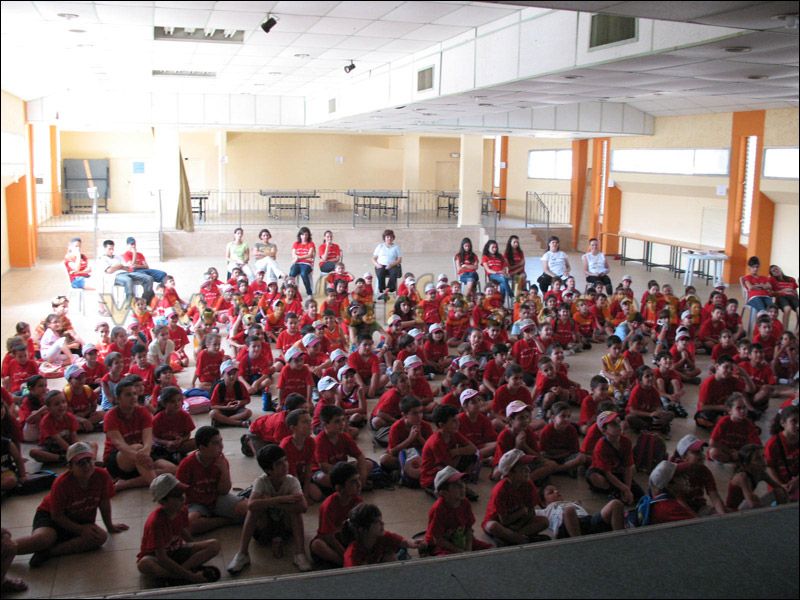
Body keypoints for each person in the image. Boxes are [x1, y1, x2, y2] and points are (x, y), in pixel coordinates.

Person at [13, 442, 128, 568]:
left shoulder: (102, 476)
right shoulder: (61, 483)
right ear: (70, 467)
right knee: (43, 539)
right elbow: (56, 515)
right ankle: (6, 548)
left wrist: (110, 526)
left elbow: (104, 503)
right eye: (80, 463)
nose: (87, 466)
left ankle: (49, 553)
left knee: (99, 537)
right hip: (51, 517)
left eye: (89, 461)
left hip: (79, 519)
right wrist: (80, 529)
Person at [227, 444, 312, 575]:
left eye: (285, 460)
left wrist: (270, 502)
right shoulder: (261, 482)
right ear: (268, 470)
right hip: (264, 529)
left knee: (296, 512)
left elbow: (303, 507)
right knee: (254, 510)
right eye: (279, 464)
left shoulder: (292, 481)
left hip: (286, 529)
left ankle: (300, 554)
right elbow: (251, 505)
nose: (285, 465)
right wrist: (281, 499)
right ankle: (243, 554)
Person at [137, 473, 221, 585]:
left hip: (178, 550)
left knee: (214, 545)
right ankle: (181, 574)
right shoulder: (156, 522)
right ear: (162, 501)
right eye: (176, 496)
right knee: (144, 564)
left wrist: (194, 546)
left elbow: (182, 530)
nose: (182, 498)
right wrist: (192, 577)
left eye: (182, 493)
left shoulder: (182, 510)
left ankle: (176, 575)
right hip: (158, 557)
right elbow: (162, 557)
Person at [103, 375, 176, 491]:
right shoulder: (110, 416)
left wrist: (144, 455)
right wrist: (142, 457)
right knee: (137, 447)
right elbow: (120, 445)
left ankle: (124, 484)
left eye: (134, 394)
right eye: (128, 395)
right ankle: (159, 489)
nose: (133, 397)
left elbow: (148, 441)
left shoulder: (143, 412)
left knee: (173, 469)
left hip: (142, 454)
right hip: (119, 458)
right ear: (118, 398)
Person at [176, 426, 248, 534]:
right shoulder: (186, 465)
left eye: (221, 441)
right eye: (215, 443)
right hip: (196, 503)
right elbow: (178, 493)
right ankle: (226, 520)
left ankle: (211, 520)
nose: (221, 446)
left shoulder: (221, 461)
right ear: (202, 447)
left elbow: (224, 491)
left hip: (217, 499)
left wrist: (224, 471)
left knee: (248, 509)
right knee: (190, 524)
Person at [482, 449, 549, 545]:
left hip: (519, 522)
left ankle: (511, 539)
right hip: (500, 522)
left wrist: (520, 523)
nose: (528, 470)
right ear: (510, 472)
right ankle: (525, 540)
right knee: (492, 526)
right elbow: (504, 521)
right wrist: (521, 512)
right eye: (522, 468)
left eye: (527, 466)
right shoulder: (500, 490)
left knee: (544, 521)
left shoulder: (528, 484)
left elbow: (531, 512)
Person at [425, 466, 493, 555]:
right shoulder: (438, 509)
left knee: (491, 550)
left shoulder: (465, 503)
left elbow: (468, 529)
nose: (462, 487)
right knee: (447, 559)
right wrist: (460, 552)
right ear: (444, 493)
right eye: (456, 485)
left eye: (462, 483)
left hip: (461, 539)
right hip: (441, 544)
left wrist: (468, 548)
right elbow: (438, 539)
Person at [309, 461, 364, 568]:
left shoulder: (357, 501)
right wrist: (345, 555)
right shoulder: (328, 506)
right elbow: (328, 537)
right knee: (317, 545)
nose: (359, 484)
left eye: (358, 479)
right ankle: (345, 563)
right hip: (330, 542)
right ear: (339, 488)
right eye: (353, 482)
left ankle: (347, 563)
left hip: (346, 538)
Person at [343, 503, 421, 566]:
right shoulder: (352, 556)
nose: (383, 523)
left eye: (381, 520)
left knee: (392, 555)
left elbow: (403, 541)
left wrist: (414, 543)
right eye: (377, 522)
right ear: (362, 529)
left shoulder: (382, 536)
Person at [537, 484, 624, 538]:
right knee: (569, 510)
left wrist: (576, 503)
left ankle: (620, 537)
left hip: (587, 522)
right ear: (543, 503)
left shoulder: (571, 503)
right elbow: (532, 514)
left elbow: (578, 505)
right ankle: (579, 544)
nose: (556, 491)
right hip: (566, 528)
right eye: (551, 492)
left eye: (556, 490)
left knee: (616, 503)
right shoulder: (546, 510)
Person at [672, 435, 726, 516]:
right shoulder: (676, 472)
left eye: (701, 451)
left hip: (699, 507)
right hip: (679, 510)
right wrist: (696, 519)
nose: (701, 455)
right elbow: (680, 501)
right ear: (684, 457)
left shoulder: (704, 471)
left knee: (726, 513)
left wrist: (722, 515)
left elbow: (715, 497)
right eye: (696, 452)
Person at [765, 405, 799, 502]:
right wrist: (780, 485)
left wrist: (797, 480)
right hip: (779, 486)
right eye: (794, 421)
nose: (798, 425)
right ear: (783, 423)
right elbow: (769, 467)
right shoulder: (773, 444)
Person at [372, 229, 402, 300]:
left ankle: (388, 290)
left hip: (392, 265)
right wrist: (377, 264)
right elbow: (373, 258)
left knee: (394, 273)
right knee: (380, 273)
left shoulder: (396, 247)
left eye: (391, 237)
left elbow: (399, 260)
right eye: (387, 237)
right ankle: (382, 291)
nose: (389, 238)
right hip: (381, 265)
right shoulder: (380, 246)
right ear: (384, 238)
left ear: (393, 238)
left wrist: (391, 265)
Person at [289, 227, 315, 296]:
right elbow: (293, 254)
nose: (304, 236)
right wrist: (297, 258)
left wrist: (298, 257)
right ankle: (292, 292)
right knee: (292, 274)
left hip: (307, 264)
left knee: (303, 274)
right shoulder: (296, 243)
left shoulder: (311, 244)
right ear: (300, 235)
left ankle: (309, 293)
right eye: (302, 234)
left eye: (306, 234)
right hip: (297, 263)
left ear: (308, 235)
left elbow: (310, 254)